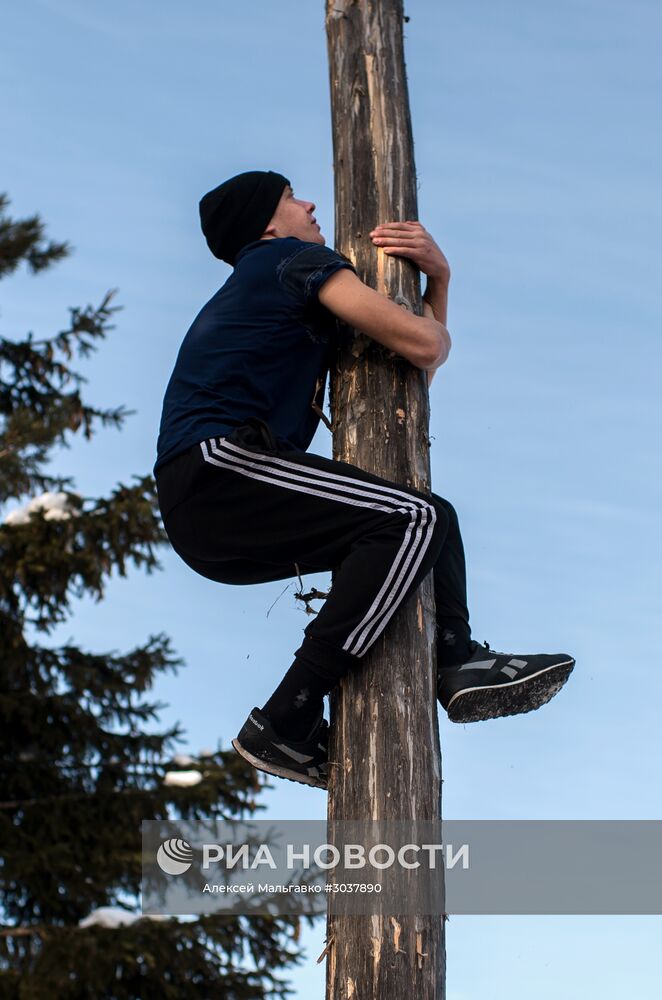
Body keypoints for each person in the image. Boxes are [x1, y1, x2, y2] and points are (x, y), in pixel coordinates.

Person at [153, 169, 575, 790]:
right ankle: (289, 713)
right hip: (218, 467)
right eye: (291, 197)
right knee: (414, 518)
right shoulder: (291, 259)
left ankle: (454, 659)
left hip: (205, 507)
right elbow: (425, 346)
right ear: (269, 225)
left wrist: (439, 284)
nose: (309, 204)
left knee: (430, 519)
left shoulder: (279, 291)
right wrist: (439, 288)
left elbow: (409, 387)